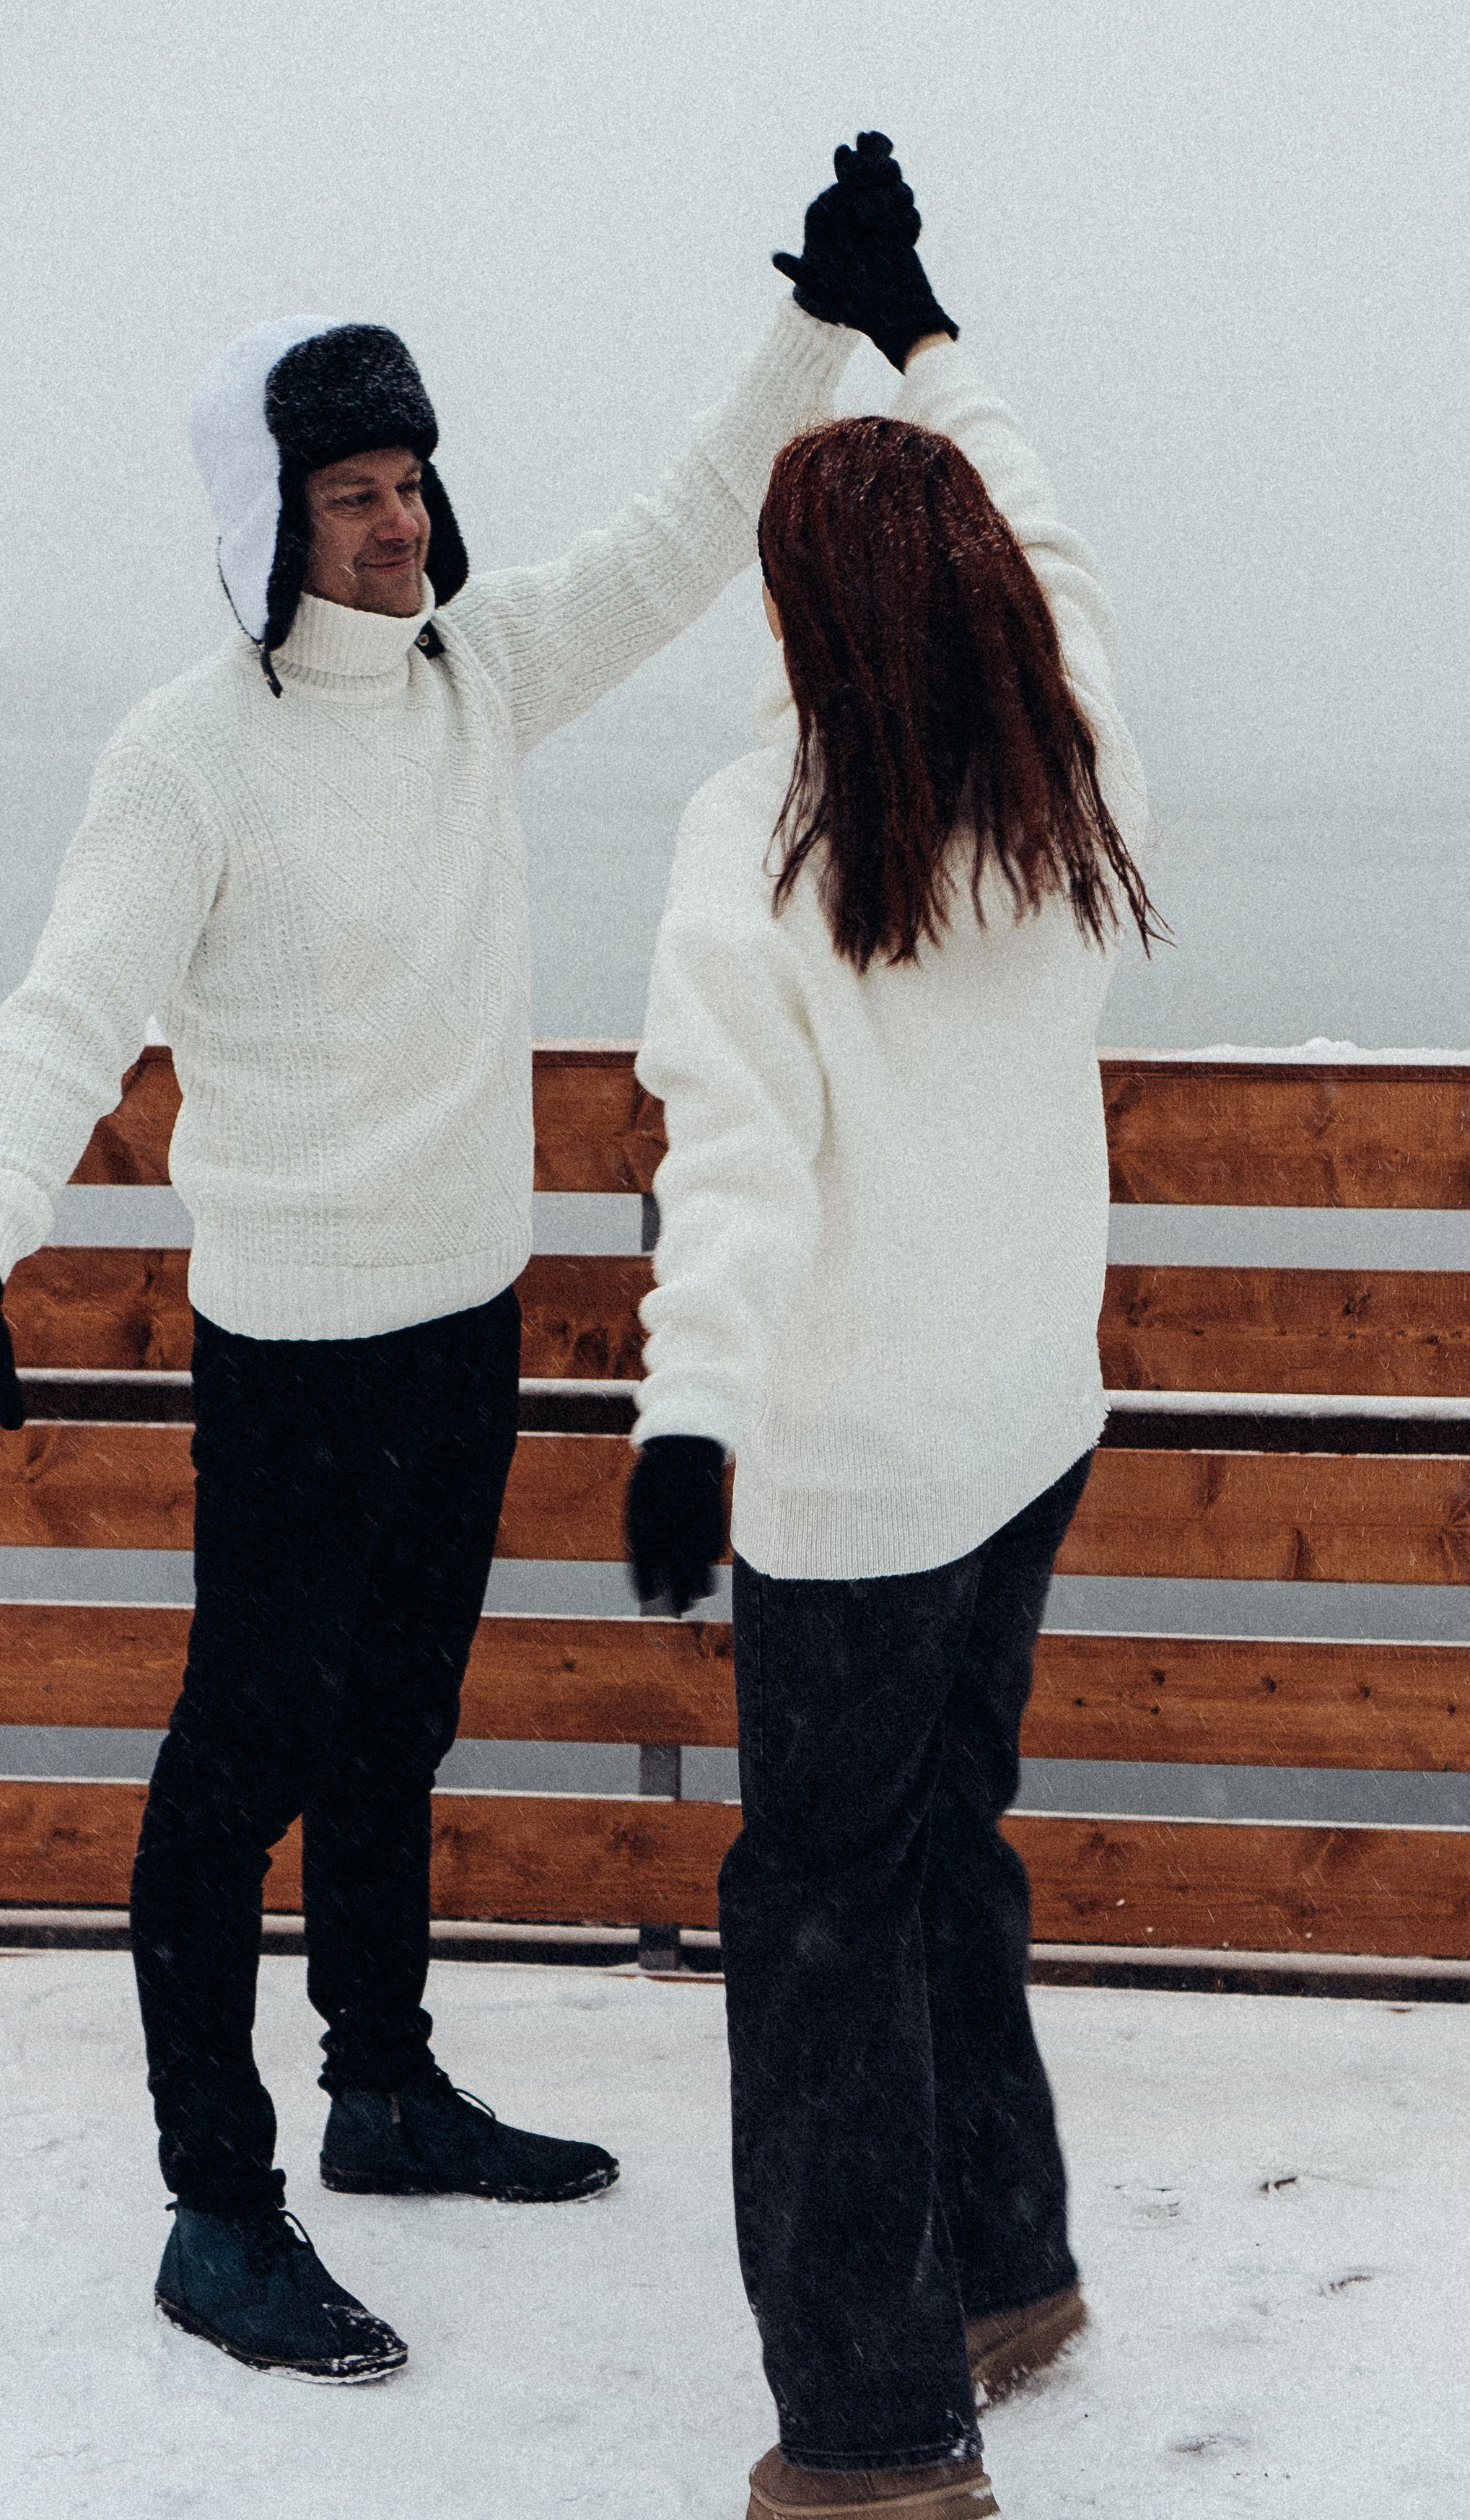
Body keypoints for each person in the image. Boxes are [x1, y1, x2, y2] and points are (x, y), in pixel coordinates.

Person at [0, 219, 859, 2379]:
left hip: (463, 1321)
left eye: (410, 483)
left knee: (400, 1725)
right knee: (236, 1771)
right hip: (292, 1350)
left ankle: (381, 2089)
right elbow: (60, 1031)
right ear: (265, 520)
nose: (397, 525)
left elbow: (681, 534)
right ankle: (221, 2205)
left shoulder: (479, 680)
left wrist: (817, 317)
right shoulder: (186, 757)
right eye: (350, 493)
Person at [626, 134, 1158, 2520]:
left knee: (820, 1921)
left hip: (852, 1499)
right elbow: (1038, 530)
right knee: (948, 1843)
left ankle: (870, 2436)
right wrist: (925, 337)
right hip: (1029, 1433)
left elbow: (729, 1178)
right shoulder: (1061, 775)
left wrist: (687, 1423)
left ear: (804, 606)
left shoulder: (765, 842)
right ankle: (1007, 2274)